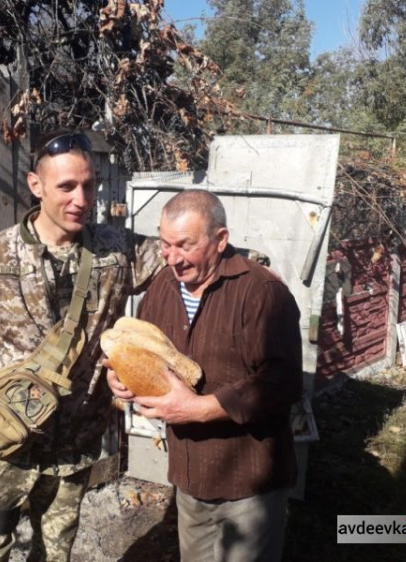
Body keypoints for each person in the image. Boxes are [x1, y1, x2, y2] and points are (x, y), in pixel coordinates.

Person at [0, 130, 163, 561]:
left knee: (56, 552)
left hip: (74, 445)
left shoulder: (116, 251)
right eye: (66, 187)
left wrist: (248, 266)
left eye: (89, 185)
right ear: (36, 186)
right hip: (6, 443)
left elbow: (185, 252)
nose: (81, 199)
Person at [107, 189, 303, 562]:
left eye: (185, 245)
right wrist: (117, 378)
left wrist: (198, 409)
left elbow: (282, 381)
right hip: (189, 476)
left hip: (249, 481)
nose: (173, 258)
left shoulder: (262, 292)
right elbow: (140, 349)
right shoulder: (162, 287)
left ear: (220, 240)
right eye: (165, 245)